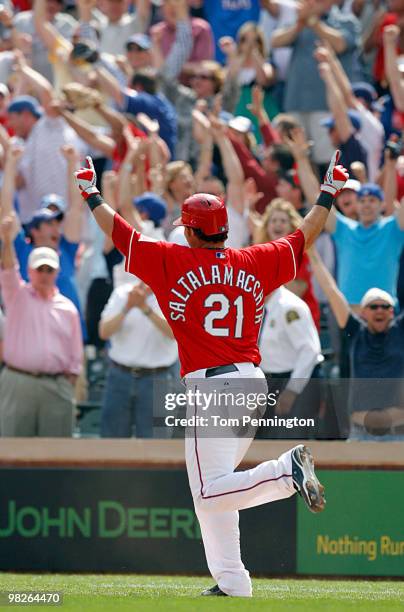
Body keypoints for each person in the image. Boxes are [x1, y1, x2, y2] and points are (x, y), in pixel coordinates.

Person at [72, 149, 349, 597]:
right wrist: (329, 192)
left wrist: (89, 193)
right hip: (252, 382)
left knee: (207, 491)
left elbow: (119, 234)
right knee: (216, 486)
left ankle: (285, 471)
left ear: (193, 231)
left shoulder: (172, 261)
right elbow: (304, 236)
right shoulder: (254, 261)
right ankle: (233, 581)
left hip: (214, 385)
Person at [309, 247, 404, 441]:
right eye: (373, 306)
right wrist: (310, 250)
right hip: (360, 434)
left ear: (392, 312)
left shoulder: (400, 332)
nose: (380, 310)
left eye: (385, 306)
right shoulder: (355, 333)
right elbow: (330, 289)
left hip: (398, 435)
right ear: (363, 312)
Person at [0, 216, 83, 437]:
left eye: (49, 269)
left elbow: (76, 354)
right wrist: (6, 240)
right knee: (13, 454)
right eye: (40, 269)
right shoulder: (17, 296)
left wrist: (69, 383)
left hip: (56, 385)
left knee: (56, 457)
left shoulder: (68, 308)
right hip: (19, 381)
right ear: (30, 271)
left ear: (56, 273)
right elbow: (8, 270)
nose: (44, 274)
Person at [99, 280, 177, 438]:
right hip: (120, 376)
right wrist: (127, 307)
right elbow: (104, 332)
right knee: (112, 443)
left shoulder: (173, 295)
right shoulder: (122, 293)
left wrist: (145, 308)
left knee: (156, 445)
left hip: (158, 378)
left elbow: (175, 333)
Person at [258, 284, 323, 438]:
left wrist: (292, 390)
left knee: (291, 442)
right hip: (269, 382)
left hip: (295, 381)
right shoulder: (255, 304)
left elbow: (309, 351)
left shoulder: (290, 307)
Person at [325, 182, 404, 306]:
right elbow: (316, 199)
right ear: (357, 205)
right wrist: (302, 162)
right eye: (362, 201)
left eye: (372, 200)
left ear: (382, 204)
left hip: (384, 310)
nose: (366, 204)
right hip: (348, 310)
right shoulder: (343, 228)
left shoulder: (393, 227)